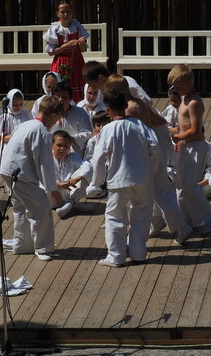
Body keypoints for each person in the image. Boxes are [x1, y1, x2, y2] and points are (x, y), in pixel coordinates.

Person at [105, 74, 194, 244]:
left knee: (151, 193)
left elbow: (135, 135)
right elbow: (158, 121)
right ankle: (166, 223)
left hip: (144, 155)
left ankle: (178, 226)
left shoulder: (129, 109)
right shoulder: (140, 102)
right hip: (153, 151)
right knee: (161, 191)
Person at [91, 90, 158, 267]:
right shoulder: (140, 125)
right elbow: (155, 146)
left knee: (115, 217)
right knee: (142, 215)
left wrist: (97, 182)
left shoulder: (108, 129)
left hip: (119, 179)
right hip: (142, 178)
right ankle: (138, 253)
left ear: (108, 109)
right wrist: (149, 168)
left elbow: (98, 157)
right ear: (125, 105)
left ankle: (116, 256)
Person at [0, 95, 65, 261]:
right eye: (57, 119)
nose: (56, 123)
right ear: (53, 116)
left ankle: (23, 244)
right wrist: (52, 190)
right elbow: (45, 163)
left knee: (21, 206)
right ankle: (43, 248)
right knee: (41, 208)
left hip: (6, 168)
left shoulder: (27, 124)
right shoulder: (42, 131)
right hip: (19, 173)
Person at [169, 64, 211, 233]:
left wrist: (178, 137)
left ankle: (209, 217)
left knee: (190, 185)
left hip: (196, 146)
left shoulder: (194, 102)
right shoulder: (183, 99)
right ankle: (190, 220)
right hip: (185, 145)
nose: (174, 89)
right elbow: (183, 126)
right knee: (181, 185)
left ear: (189, 83)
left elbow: (196, 130)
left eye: (177, 85)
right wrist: (176, 134)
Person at [43, 0, 89, 102]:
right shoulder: (55, 29)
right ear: (57, 14)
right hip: (61, 62)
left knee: (77, 84)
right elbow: (51, 52)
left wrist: (81, 44)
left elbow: (83, 50)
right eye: (63, 12)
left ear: (72, 13)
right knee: (61, 86)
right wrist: (66, 46)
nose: (65, 14)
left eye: (68, 12)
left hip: (76, 61)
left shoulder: (77, 27)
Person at [50, 130, 93, 219]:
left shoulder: (72, 156)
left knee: (84, 172)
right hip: (51, 196)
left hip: (67, 194)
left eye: (66, 146)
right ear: (52, 145)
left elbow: (88, 167)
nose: (62, 149)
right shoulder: (46, 158)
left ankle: (69, 204)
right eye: (59, 145)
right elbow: (38, 179)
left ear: (69, 147)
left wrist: (77, 178)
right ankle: (72, 204)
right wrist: (56, 186)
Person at [50, 81, 93, 157]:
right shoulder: (48, 115)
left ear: (70, 99)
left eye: (64, 97)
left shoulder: (80, 113)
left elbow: (88, 133)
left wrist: (71, 139)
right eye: (57, 97)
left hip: (75, 158)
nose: (60, 100)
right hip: (53, 158)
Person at [83, 60, 152, 105]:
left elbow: (147, 103)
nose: (95, 89)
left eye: (94, 85)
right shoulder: (104, 93)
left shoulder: (125, 83)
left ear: (101, 78)